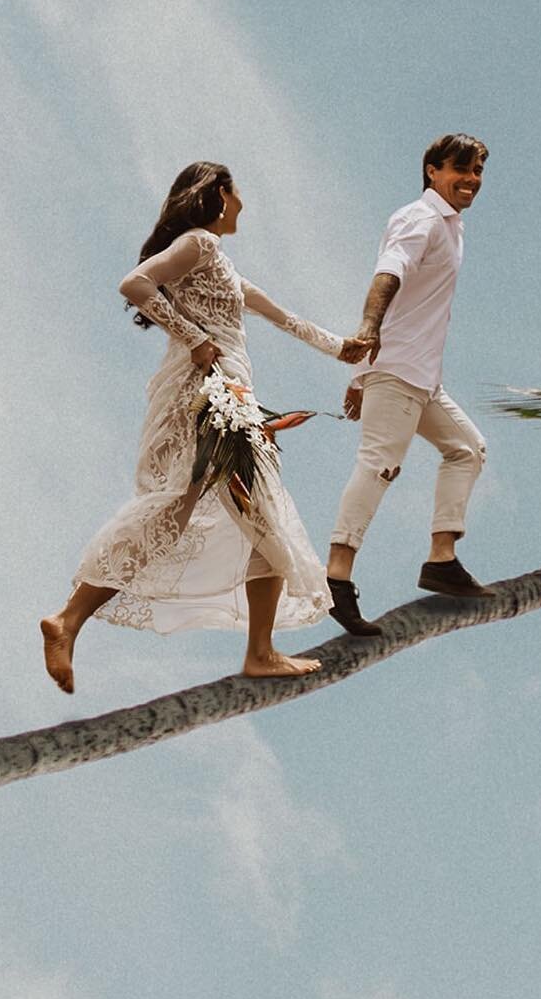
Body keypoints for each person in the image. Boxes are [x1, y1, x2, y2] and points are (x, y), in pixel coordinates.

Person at [40, 162, 368, 692]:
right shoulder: (200, 244)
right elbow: (135, 282)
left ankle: (256, 651)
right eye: (237, 192)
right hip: (210, 396)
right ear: (218, 194)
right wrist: (192, 337)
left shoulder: (221, 264)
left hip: (228, 396)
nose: (242, 203)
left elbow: (284, 318)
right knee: (205, 508)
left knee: (255, 516)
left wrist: (341, 348)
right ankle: (68, 619)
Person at [326, 133, 492, 635]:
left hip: (420, 377)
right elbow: (389, 272)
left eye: (478, 171)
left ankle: (441, 560)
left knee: (467, 449)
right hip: (398, 370)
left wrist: (359, 376)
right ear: (432, 171)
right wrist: (368, 331)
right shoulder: (420, 219)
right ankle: (336, 578)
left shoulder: (452, 227)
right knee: (379, 464)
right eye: (460, 168)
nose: (471, 179)